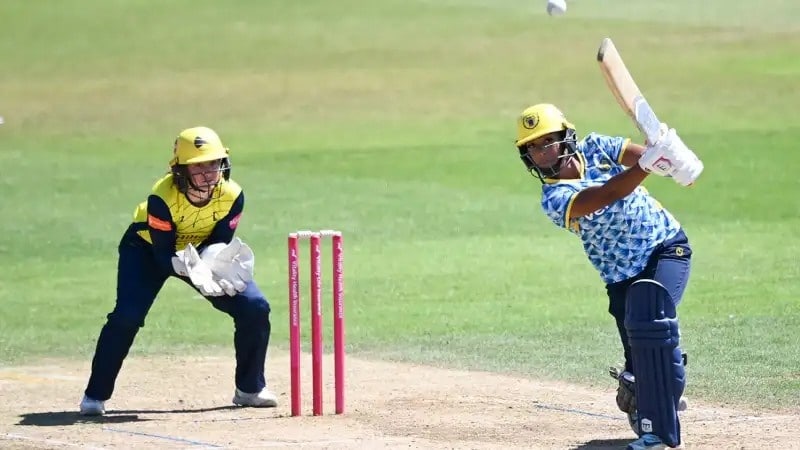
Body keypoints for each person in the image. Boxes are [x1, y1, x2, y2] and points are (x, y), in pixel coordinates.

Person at [513, 104, 703, 450]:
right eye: (533, 148)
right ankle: (643, 383)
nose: (540, 153)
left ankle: (658, 431)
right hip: (620, 279)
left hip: (665, 247)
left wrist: (668, 153)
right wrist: (649, 163)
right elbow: (605, 195)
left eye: (547, 142)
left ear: (566, 137)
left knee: (653, 323)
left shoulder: (597, 147)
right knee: (642, 352)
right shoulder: (554, 197)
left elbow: (645, 158)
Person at [80, 126, 277, 416]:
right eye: (199, 166)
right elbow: (162, 255)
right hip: (146, 251)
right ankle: (94, 395)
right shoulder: (162, 198)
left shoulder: (233, 195)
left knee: (255, 307)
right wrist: (192, 269)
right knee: (127, 317)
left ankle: (249, 389)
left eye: (214, 163)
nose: (209, 173)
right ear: (181, 170)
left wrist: (212, 262)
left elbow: (220, 240)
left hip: (198, 253)